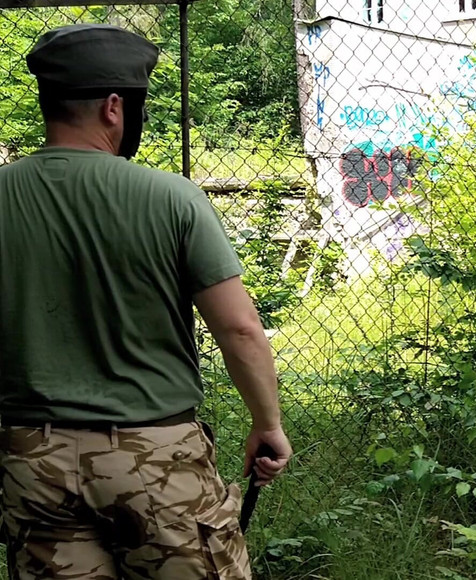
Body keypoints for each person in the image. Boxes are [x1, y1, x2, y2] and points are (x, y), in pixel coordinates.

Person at [0, 24, 292, 579]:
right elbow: (239, 329)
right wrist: (267, 423)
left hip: (31, 458)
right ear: (114, 107)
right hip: (154, 456)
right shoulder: (171, 198)